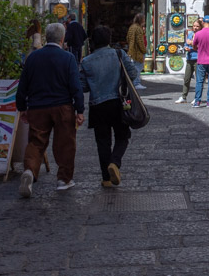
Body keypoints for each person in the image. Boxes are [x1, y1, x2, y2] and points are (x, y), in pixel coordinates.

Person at [17, 22, 84, 196]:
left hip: (37, 107)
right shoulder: (68, 58)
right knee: (65, 143)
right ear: (62, 39)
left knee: (36, 142)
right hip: (63, 107)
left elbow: (23, 85)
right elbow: (75, 86)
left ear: (46, 37)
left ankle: (30, 171)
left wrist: (22, 107)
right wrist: (80, 109)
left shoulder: (33, 57)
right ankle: (64, 179)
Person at [80, 25, 139, 188]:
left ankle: (106, 178)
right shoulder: (119, 54)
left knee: (102, 141)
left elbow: (83, 86)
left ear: (92, 42)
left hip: (98, 105)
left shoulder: (86, 61)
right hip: (118, 102)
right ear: (109, 40)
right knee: (122, 136)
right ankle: (115, 162)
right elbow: (133, 74)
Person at [176, 18, 203, 104]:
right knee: (186, 79)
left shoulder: (201, 35)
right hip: (189, 58)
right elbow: (185, 44)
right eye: (194, 26)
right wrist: (186, 48)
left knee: (198, 79)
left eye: (197, 26)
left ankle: (197, 97)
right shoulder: (190, 34)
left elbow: (201, 46)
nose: (195, 27)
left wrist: (191, 44)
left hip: (198, 59)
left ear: (200, 27)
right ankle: (184, 97)